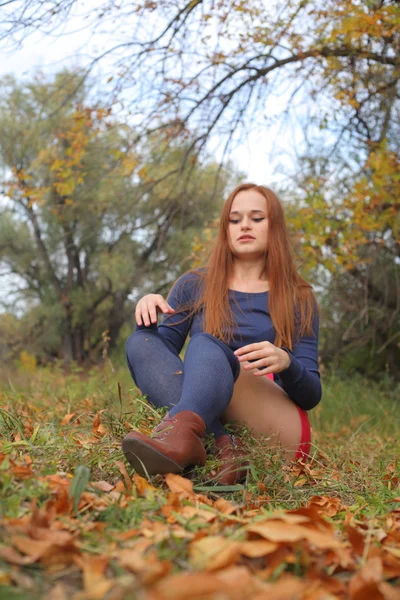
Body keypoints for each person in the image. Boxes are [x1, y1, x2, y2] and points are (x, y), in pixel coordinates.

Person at [122, 183, 321, 485]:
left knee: (204, 344)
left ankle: (195, 441)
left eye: (257, 218)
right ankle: (224, 449)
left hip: (275, 421)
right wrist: (147, 315)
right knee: (139, 343)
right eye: (234, 218)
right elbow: (159, 356)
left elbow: (311, 394)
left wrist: (286, 362)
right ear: (225, 228)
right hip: (213, 408)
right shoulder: (194, 284)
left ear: (275, 226)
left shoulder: (299, 296)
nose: (244, 225)